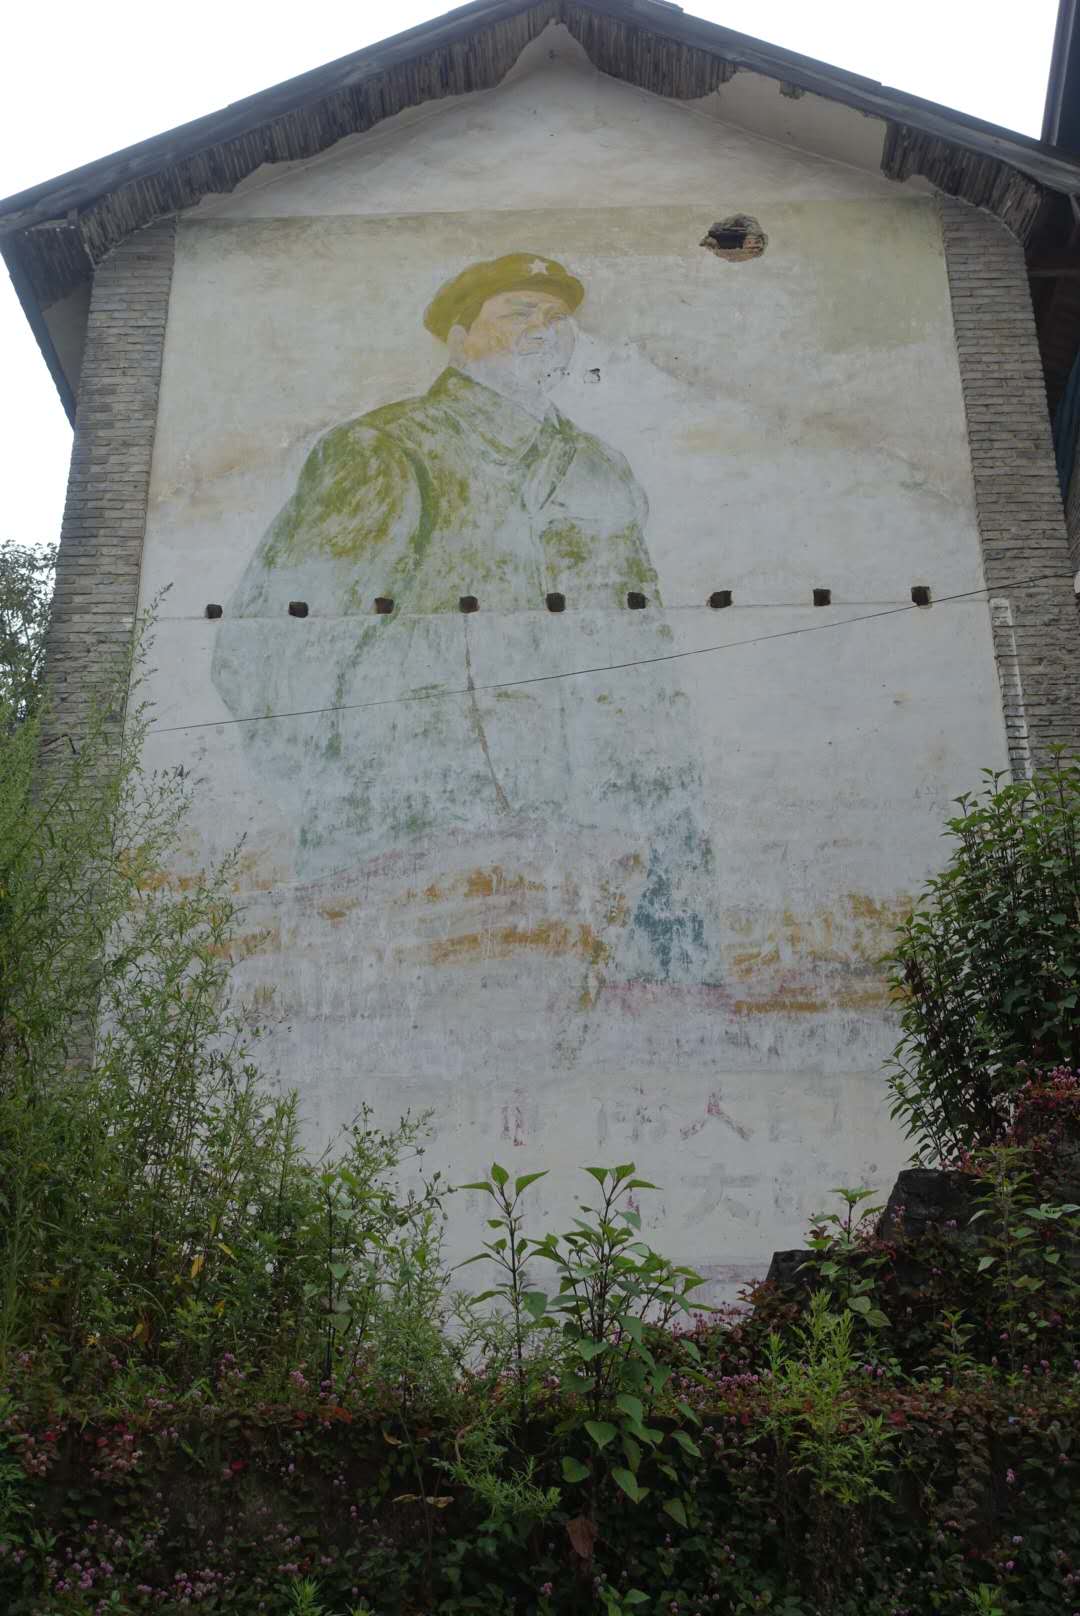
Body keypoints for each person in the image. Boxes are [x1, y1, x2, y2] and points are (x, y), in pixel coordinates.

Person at [211, 252, 710, 986]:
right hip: (411, 841)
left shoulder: (600, 468)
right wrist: (336, 789)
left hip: (607, 838)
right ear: (457, 337)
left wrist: (664, 794)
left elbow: (645, 643)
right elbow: (271, 644)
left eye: (558, 318)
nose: (544, 330)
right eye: (519, 312)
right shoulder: (388, 448)